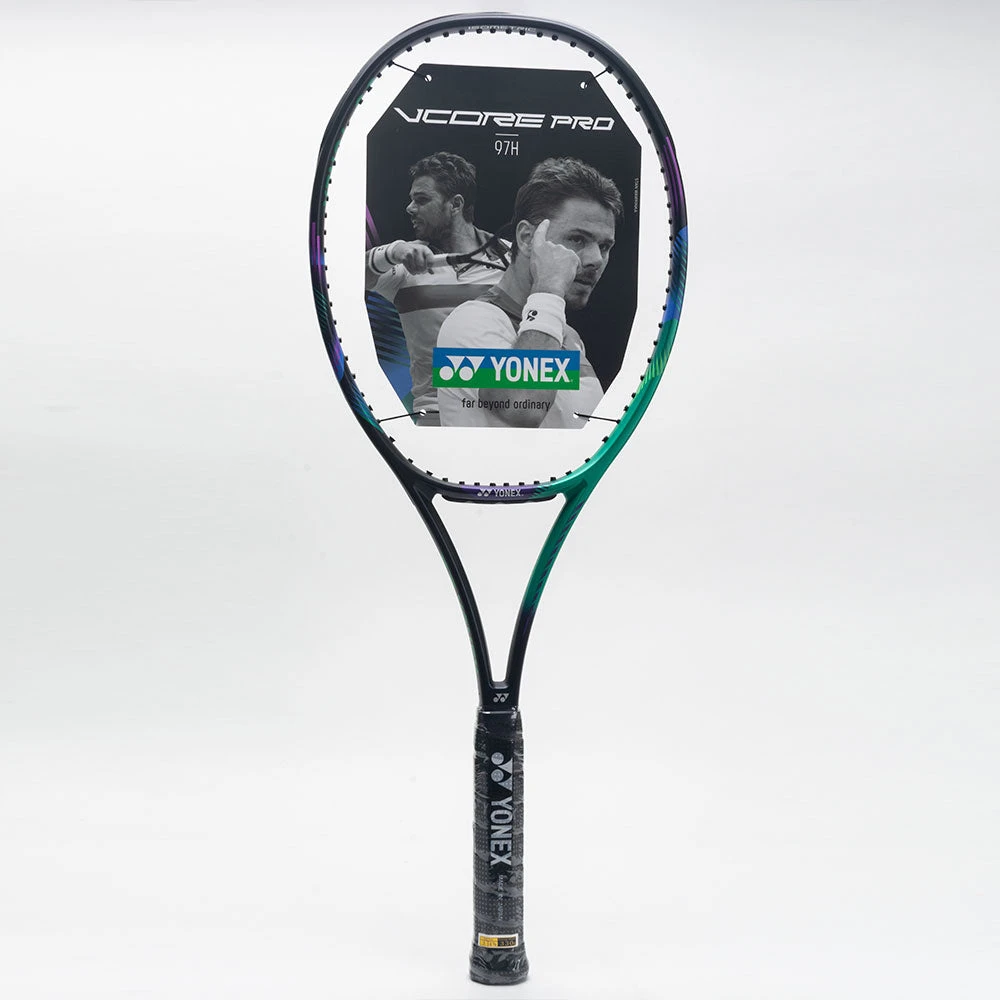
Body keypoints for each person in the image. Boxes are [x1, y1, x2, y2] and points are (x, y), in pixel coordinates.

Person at [435, 157, 622, 429]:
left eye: (604, 246)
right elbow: (522, 404)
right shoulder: (468, 322)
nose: (595, 259)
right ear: (526, 238)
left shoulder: (566, 336)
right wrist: (549, 290)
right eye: (577, 239)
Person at [365, 152, 509, 425]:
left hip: (507, 419)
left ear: (455, 204)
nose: (409, 208)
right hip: (436, 418)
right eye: (411, 199)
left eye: (421, 200)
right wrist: (393, 251)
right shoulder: (403, 265)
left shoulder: (514, 261)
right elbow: (350, 277)